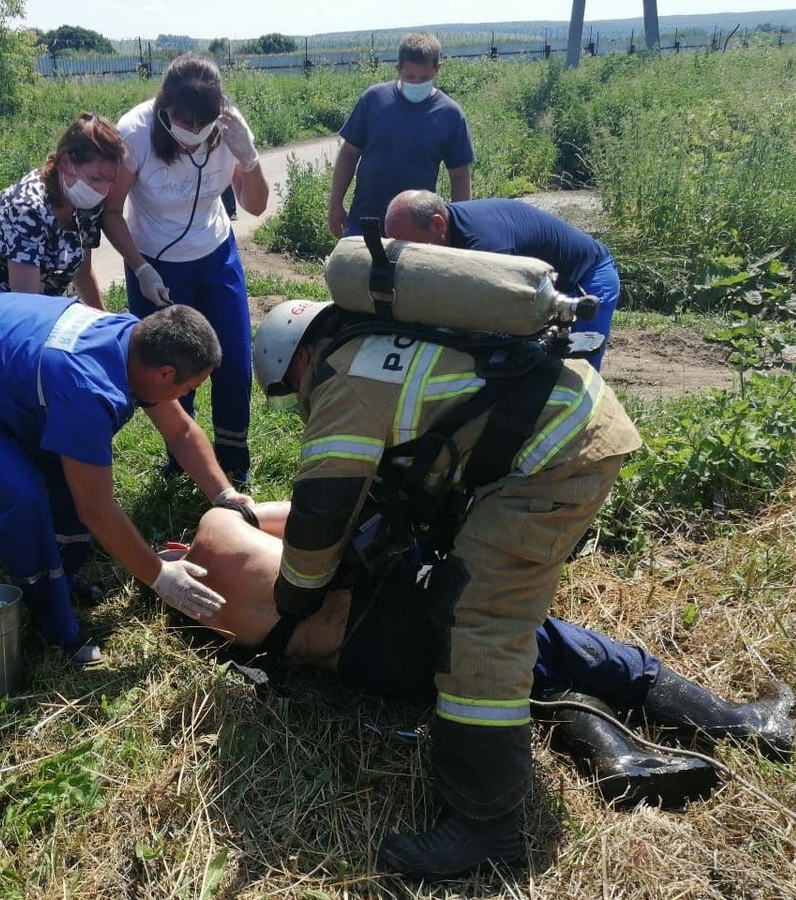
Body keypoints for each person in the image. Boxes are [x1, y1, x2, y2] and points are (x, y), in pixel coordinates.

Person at [250, 297, 642, 881]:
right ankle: (724, 717)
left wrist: (297, 595)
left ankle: (489, 828)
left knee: (477, 620)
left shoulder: (346, 381)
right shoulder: (386, 343)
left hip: (557, 456)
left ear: (302, 355)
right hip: (562, 426)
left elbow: (322, 510)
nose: (299, 401)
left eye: (291, 386)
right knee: (491, 604)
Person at [159, 500, 796, 810]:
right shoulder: (218, 526)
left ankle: (615, 755)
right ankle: (744, 724)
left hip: (368, 667)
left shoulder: (208, 624)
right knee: (561, 645)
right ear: (172, 545)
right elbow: (328, 518)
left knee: (508, 682)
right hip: (394, 612)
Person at [0, 295, 250, 662]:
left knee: (65, 478)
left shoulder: (137, 347)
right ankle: (53, 629)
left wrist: (224, 494)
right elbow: (96, 509)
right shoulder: (86, 387)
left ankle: (59, 579)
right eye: (189, 388)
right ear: (165, 374)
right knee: (24, 495)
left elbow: (181, 433)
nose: (189, 396)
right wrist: (160, 577)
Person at [102, 53, 270, 482]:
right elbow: (111, 212)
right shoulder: (135, 133)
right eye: (183, 122)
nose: (192, 133)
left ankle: (233, 459)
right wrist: (140, 268)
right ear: (164, 108)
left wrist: (249, 160)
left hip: (216, 255)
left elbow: (256, 204)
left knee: (232, 358)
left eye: (202, 123)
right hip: (156, 263)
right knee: (170, 368)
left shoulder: (229, 130)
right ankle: (182, 457)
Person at [384, 191, 621, 370]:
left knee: (579, 368)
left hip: (587, 277)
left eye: (412, 246)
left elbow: (501, 313)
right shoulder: (444, 231)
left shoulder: (486, 246)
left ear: (438, 224)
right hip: (544, 277)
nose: (409, 256)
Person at [0, 112, 124, 309]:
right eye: (96, 179)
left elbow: (82, 270)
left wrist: (103, 321)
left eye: (109, 181)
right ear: (66, 163)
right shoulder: (27, 210)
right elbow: (26, 308)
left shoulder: (86, 203)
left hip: (31, 309)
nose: (102, 191)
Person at [328, 32, 475, 239]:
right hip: (365, 220)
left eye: (424, 78)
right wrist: (335, 205)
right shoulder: (374, 99)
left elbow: (459, 175)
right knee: (356, 271)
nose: (417, 83)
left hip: (416, 228)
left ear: (437, 68)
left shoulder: (450, 114)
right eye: (410, 77)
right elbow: (349, 154)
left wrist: (459, 227)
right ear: (398, 69)